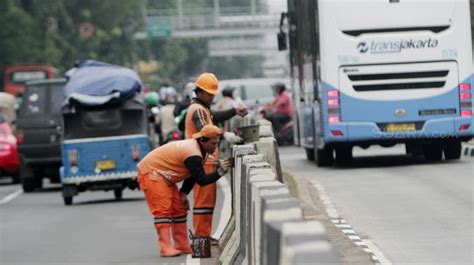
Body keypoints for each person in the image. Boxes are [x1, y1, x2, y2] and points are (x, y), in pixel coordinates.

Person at [137, 125, 233, 257]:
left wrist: (183, 193)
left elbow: (192, 174)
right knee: (163, 210)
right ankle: (165, 247)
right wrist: (220, 172)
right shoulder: (193, 153)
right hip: (152, 173)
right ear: (203, 140)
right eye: (212, 144)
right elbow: (201, 180)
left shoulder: (201, 151)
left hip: (165, 176)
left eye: (217, 143)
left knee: (179, 209)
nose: (215, 147)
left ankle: (181, 245)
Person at [185, 72, 248, 242]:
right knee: (203, 200)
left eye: (213, 93)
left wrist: (234, 111)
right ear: (199, 92)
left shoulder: (202, 108)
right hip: (201, 158)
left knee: (208, 200)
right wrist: (225, 134)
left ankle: (204, 235)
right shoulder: (197, 110)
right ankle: (201, 236)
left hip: (207, 159)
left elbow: (215, 118)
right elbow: (206, 130)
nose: (212, 96)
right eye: (209, 93)